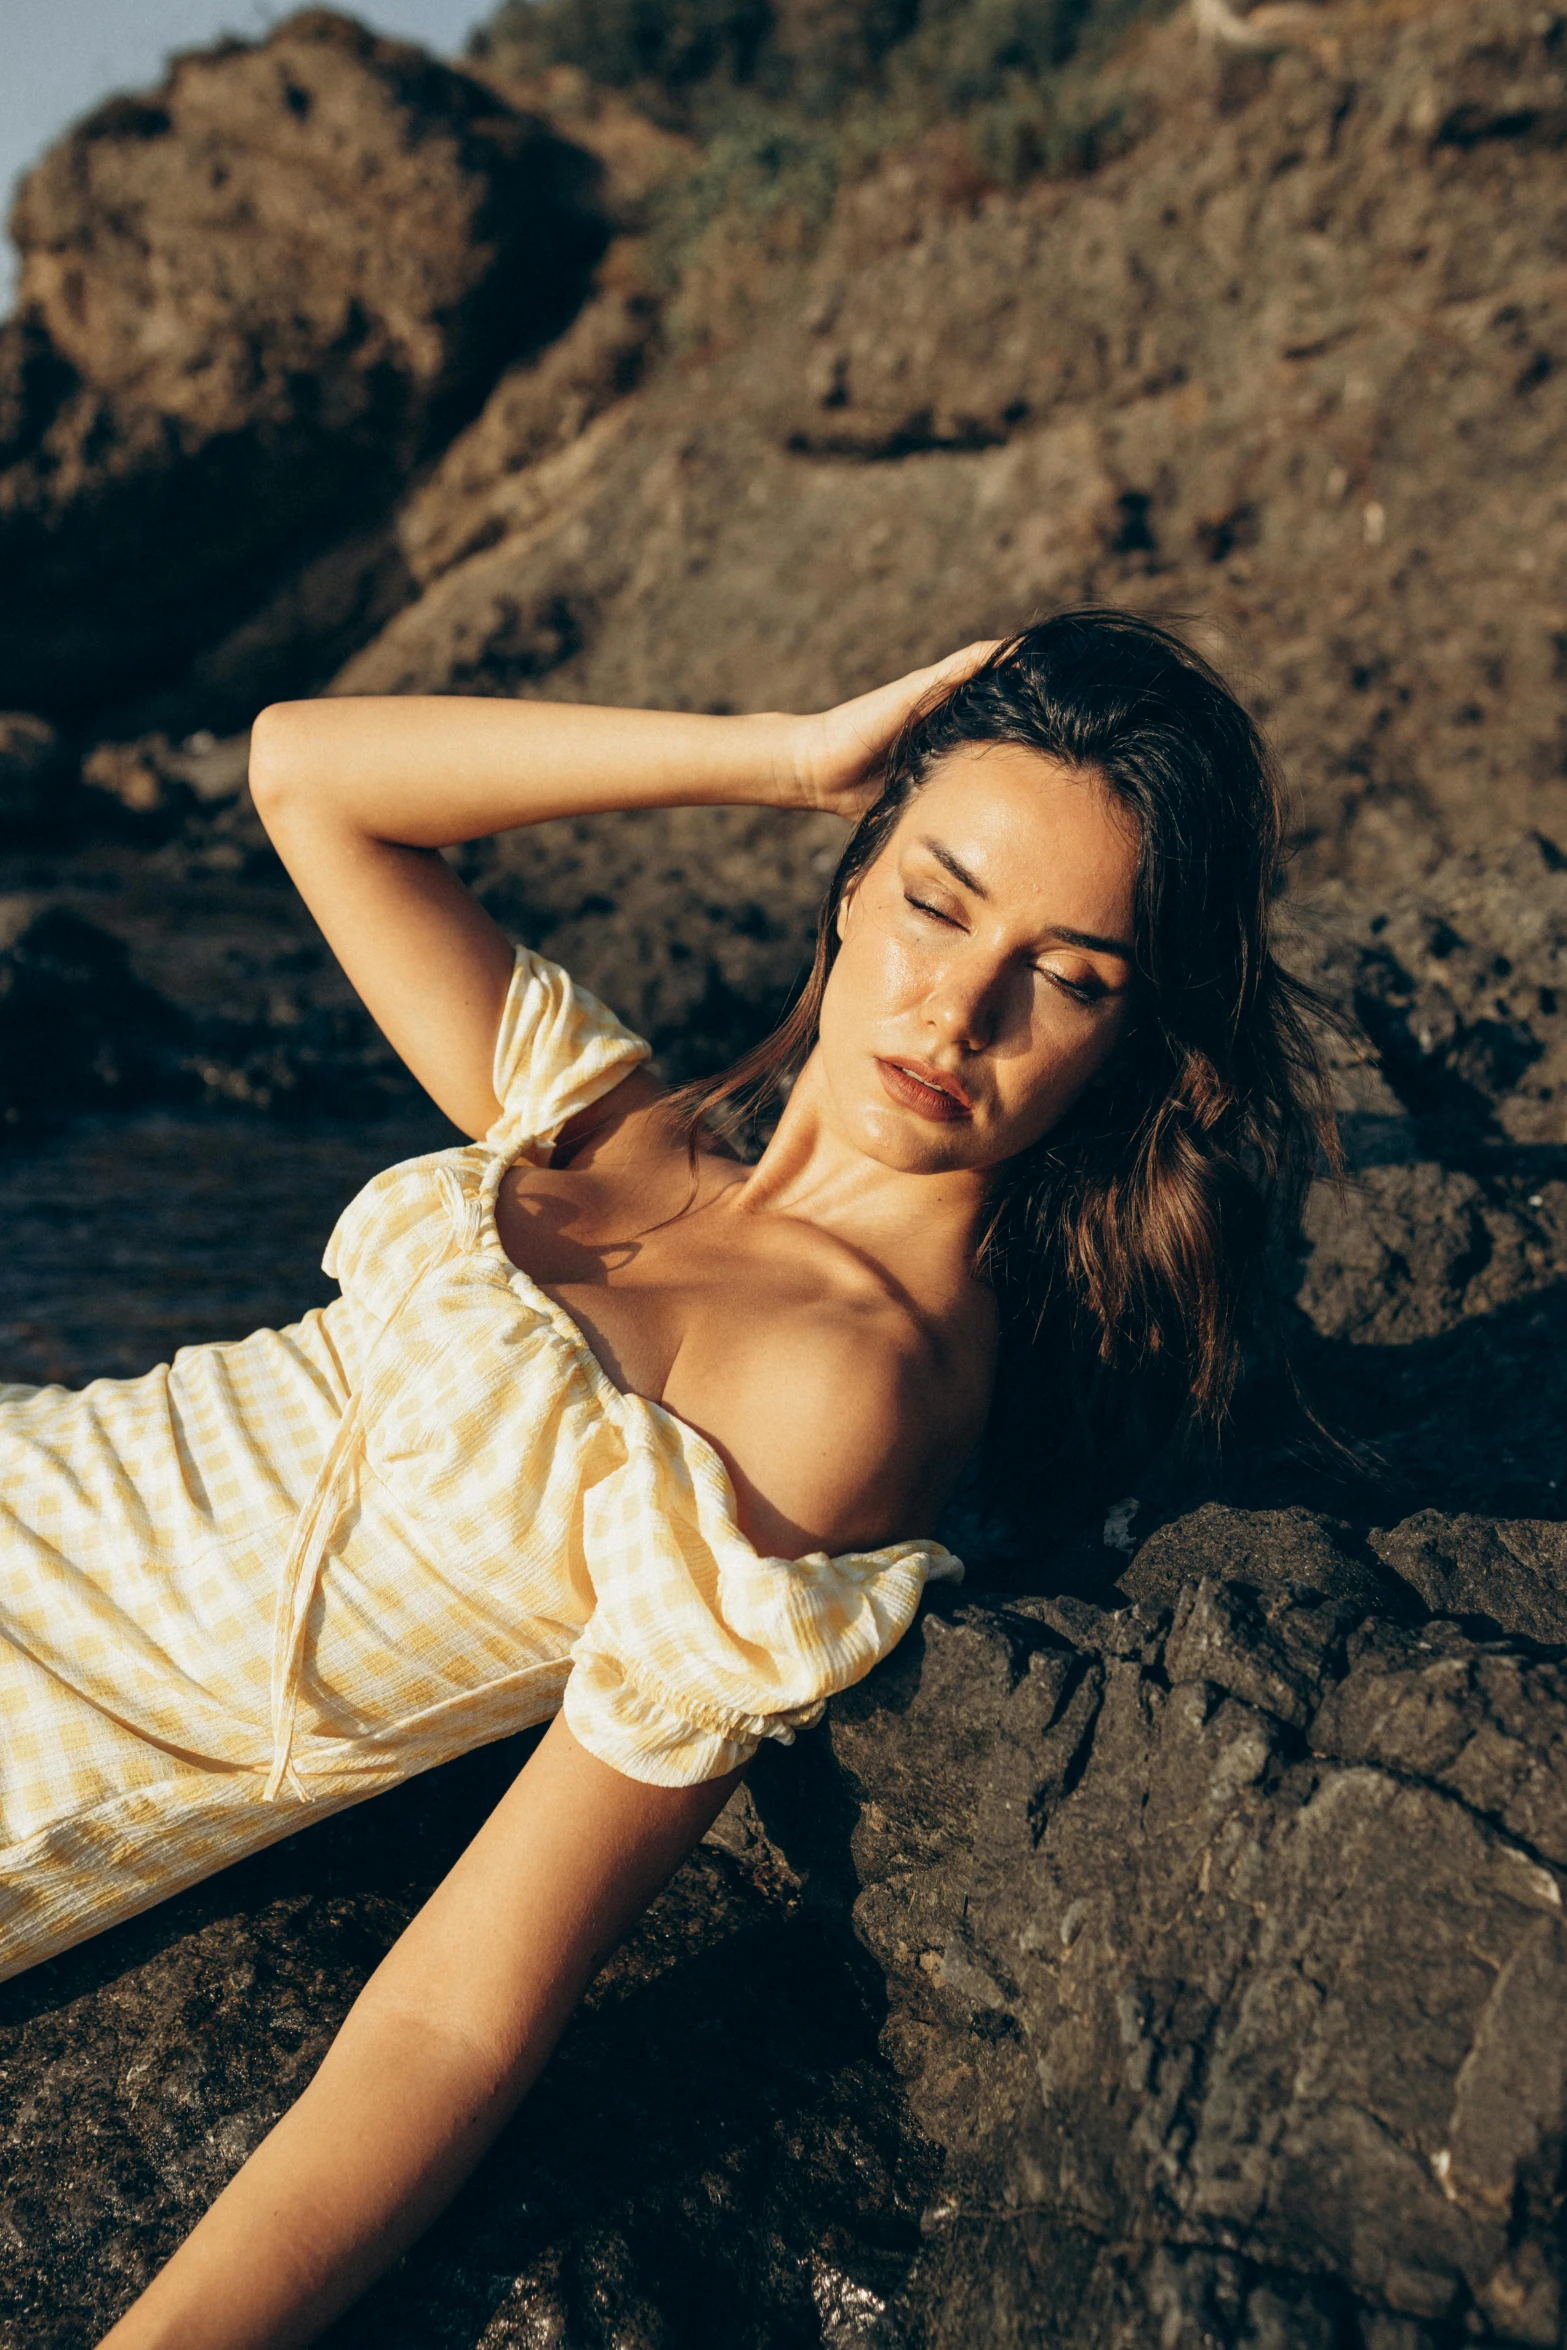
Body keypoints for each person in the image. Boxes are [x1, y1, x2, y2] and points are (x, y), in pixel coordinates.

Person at [0, 610, 1329, 2348]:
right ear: (853, 880)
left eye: (1067, 977)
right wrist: (776, 749)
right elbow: (304, 774)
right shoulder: (618, 1120)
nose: (959, 1006)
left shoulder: (849, 1394)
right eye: (935, 900)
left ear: (1130, 1043)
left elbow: (464, 2008)